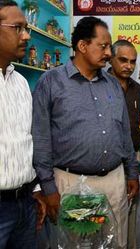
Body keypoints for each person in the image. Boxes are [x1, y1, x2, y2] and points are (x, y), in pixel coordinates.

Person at [32, 16, 139, 249]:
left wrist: (132, 172)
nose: (109, 53)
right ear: (82, 46)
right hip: (71, 184)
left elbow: (123, 133)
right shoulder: (51, 82)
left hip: (113, 182)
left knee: (115, 244)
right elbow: (40, 139)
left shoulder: (112, 84)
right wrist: (48, 188)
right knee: (75, 245)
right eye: (103, 46)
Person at [0, 1, 46, 248]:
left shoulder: (20, 83)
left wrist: (36, 189)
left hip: (25, 203)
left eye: (25, 28)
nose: (26, 35)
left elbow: (28, 140)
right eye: (17, 28)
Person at [109, 39, 140, 249]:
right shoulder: (100, 84)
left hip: (132, 160)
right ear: (110, 59)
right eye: (123, 60)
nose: (128, 66)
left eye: (133, 61)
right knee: (107, 216)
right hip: (108, 163)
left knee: (129, 211)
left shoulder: (136, 88)